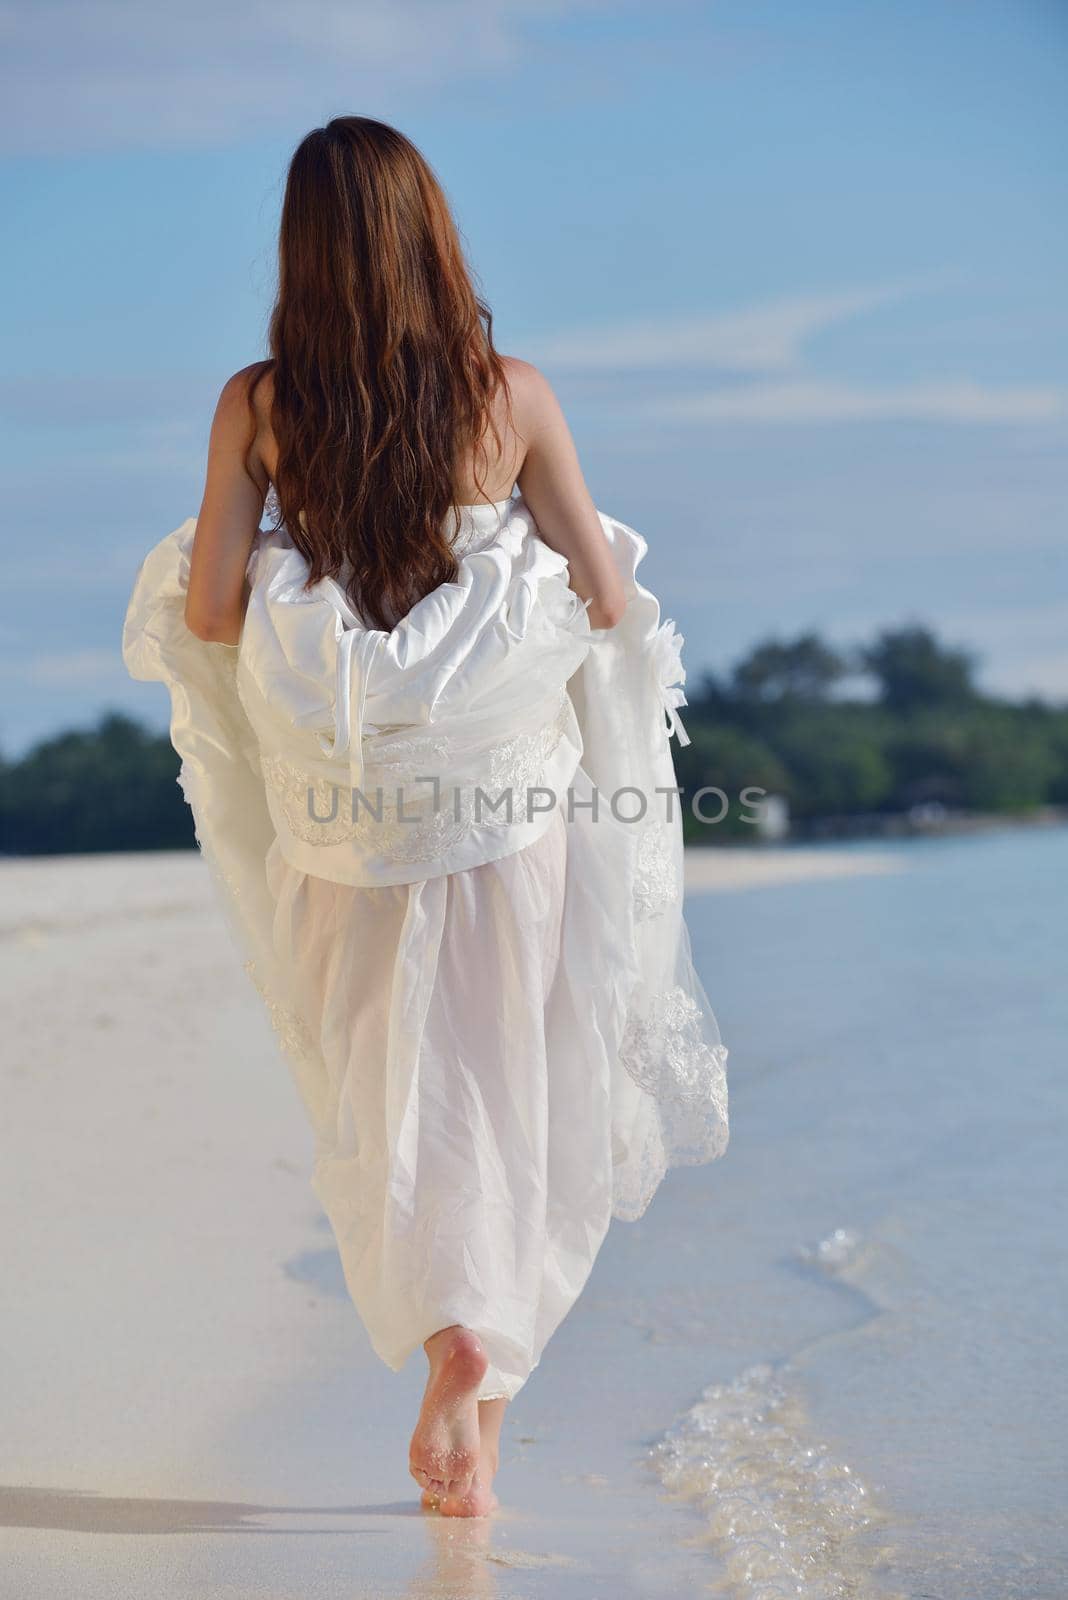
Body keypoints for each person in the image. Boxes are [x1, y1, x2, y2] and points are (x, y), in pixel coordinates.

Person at [122, 115, 728, 1519]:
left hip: (346, 828)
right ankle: (479, 1382)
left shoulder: (261, 407)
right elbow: (606, 596)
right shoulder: (507, 398)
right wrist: (496, 576)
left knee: (387, 1099)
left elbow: (210, 612)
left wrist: (303, 583)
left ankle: (461, 1378)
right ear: (432, 237)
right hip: (507, 817)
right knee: (508, 1097)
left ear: (302, 248)